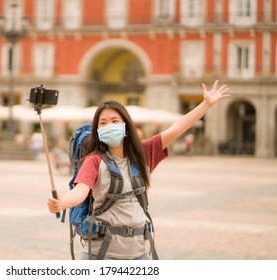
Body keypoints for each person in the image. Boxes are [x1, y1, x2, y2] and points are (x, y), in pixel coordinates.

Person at [47, 80, 230, 260]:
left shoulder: (144, 153)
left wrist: (206, 104)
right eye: (102, 123)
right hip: (101, 254)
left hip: (139, 252)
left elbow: (177, 128)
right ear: (97, 131)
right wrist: (62, 203)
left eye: (114, 120)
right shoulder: (93, 160)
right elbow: (80, 191)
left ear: (125, 124)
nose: (109, 126)